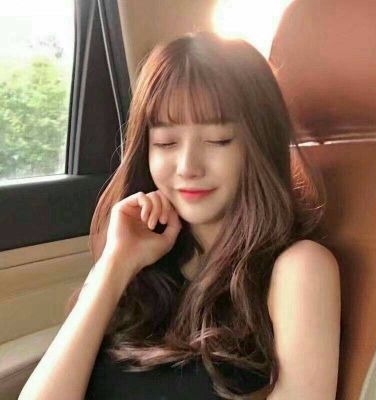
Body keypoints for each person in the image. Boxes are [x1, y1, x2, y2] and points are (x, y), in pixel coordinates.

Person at [19, 31, 341, 400]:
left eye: (218, 140)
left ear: (260, 143)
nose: (188, 167)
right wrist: (114, 266)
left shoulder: (298, 268)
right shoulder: (141, 268)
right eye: (166, 143)